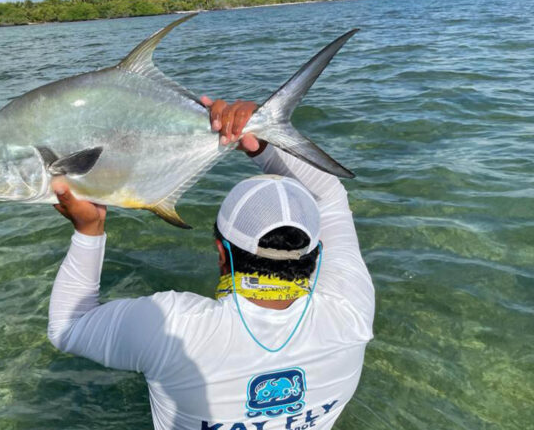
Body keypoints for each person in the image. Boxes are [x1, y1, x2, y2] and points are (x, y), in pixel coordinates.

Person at [47, 98, 375, 430]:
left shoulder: (175, 328)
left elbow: (67, 329)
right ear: (315, 252)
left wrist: (89, 230)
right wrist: (263, 142)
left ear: (221, 252)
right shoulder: (351, 313)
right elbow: (330, 198)